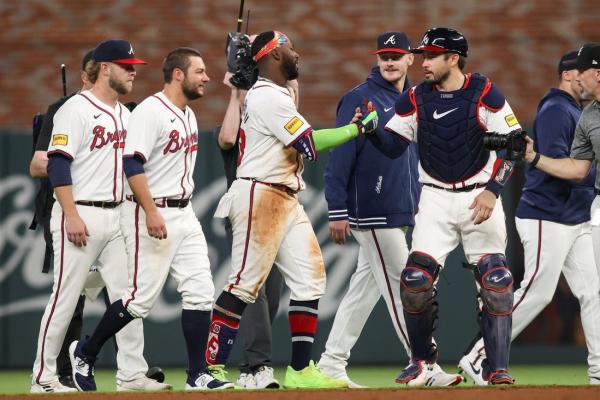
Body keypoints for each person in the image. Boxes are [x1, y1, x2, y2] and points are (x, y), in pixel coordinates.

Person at [206, 30, 378, 389]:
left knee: (310, 278)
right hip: (260, 195)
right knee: (243, 285)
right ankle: (211, 371)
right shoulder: (268, 96)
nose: (295, 53)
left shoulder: (276, 94)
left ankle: (300, 370)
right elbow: (309, 143)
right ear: (272, 55)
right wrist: (356, 129)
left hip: (284, 196)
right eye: (288, 48)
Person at [67, 46, 233, 392]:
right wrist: (151, 211)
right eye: (199, 71)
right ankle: (86, 351)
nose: (206, 78)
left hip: (184, 212)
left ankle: (197, 375)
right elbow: (132, 164)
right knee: (138, 300)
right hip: (150, 212)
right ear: (178, 74)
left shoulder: (186, 113)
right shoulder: (150, 112)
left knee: (201, 292)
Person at [368, 27, 522, 385]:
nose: (424, 63)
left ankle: (495, 368)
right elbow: (392, 145)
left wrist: (493, 191)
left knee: (497, 283)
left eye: (432, 56)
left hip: (479, 195)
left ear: (454, 58)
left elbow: (515, 146)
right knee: (414, 281)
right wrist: (369, 128)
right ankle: (423, 362)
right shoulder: (416, 97)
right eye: (423, 56)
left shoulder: (484, 91)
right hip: (435, 197)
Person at [317, 31, 462, 388]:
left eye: (397, 55)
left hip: (398, 209)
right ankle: (422, 364)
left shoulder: (414, 98)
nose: (390, 61)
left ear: (410, 59)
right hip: (371, 209)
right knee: (406, 287)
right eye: (384, 55)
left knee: (362, 291)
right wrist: (336, 209)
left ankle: (331, 363)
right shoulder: (359, 97)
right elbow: (340, 157)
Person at [30, 41, 170, 393]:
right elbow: (57, 163)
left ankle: (132, 375)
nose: (133, 71)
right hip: (81, 214)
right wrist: (71, 214)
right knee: (65, 298)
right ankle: (43, 377)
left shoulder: (127, 115)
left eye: (134, 65)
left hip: (118, 216)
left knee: (129, 298)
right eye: (126, 66)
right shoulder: (74, 110)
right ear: (104, 68)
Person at [520, 43, 600, 386]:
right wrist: (534, 159)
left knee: (592, 291)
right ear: (571, 74)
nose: (586, 79)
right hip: (547, 213)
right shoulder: (557, 108)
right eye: (583, 71)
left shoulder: (581, 111)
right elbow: (571, 169)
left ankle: (598, 369)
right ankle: (480, 353)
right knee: (537, 292)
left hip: (574, 216)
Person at [216, 64, 299, 389]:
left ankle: (249, 368)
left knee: (272, 294)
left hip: (277, 211)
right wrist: (236, 93)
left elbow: (293, 119)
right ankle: (259, 365)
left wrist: (291, 78)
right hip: (246, 210)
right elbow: (225, 139)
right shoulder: (239, 116)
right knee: (255, 293)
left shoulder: (271, 116)